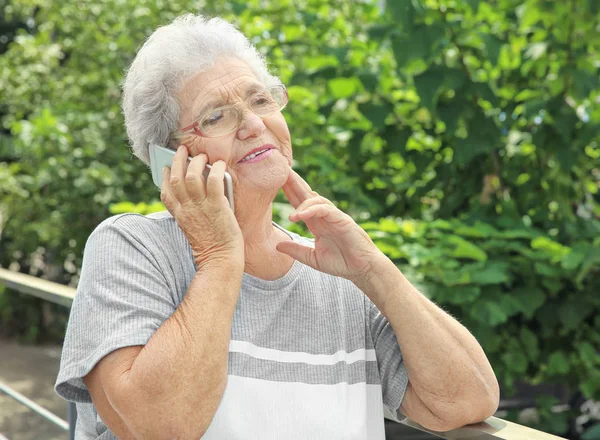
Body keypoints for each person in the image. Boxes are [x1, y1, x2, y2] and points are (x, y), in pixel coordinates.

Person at [55, 13, 499, 440]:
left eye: (261, 100)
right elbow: (161, 426)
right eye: (216, 116)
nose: (252, 124)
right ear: (169, 161)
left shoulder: (338, 274)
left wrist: (373, 270)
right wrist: (219, 257)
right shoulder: (132, 248)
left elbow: (467, 402)